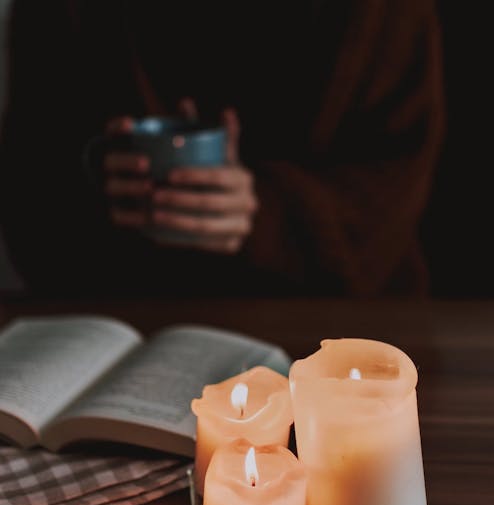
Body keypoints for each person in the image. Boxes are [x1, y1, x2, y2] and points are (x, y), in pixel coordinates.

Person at [0, 0, 445, 297]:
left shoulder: (381, 14)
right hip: (118, 313)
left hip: (344, 322)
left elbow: (396, 185)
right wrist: (99, 177)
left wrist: (267, 213)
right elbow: (29, 180)